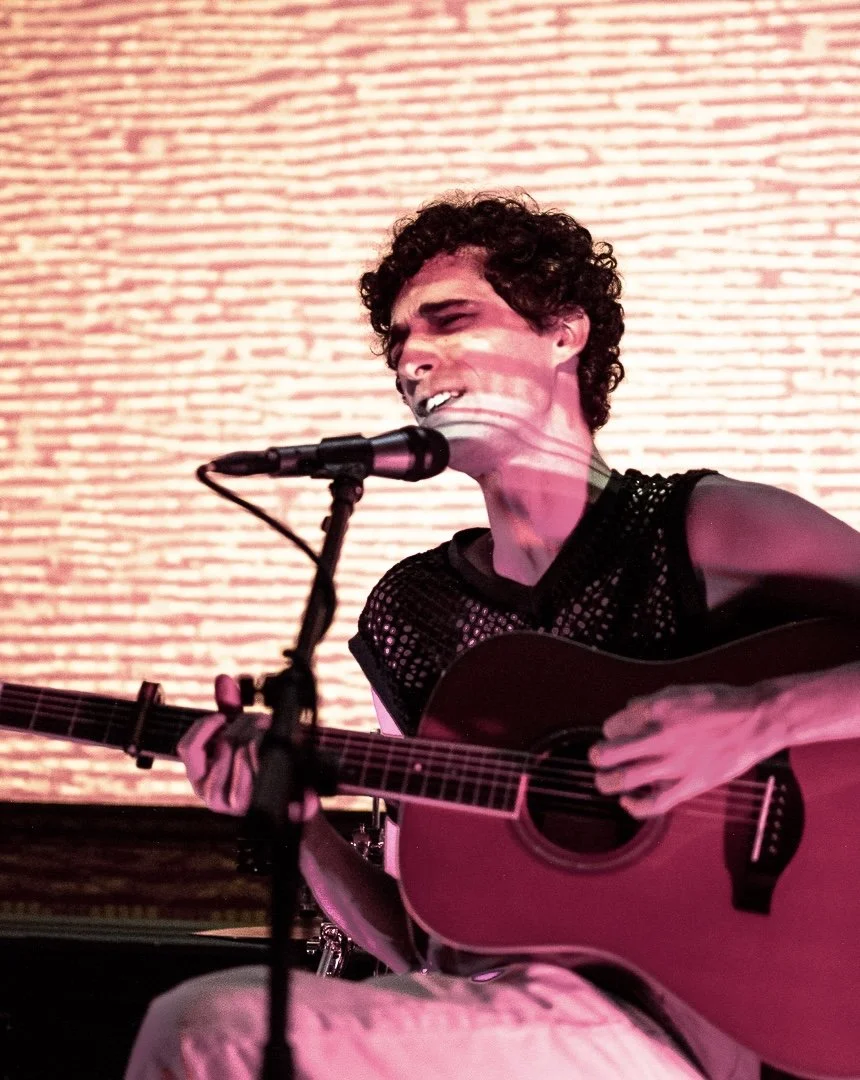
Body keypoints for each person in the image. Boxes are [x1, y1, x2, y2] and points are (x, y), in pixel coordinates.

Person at [125, 193, 860, 1080]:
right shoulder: (413, 611)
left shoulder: (702, 528)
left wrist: (762, 718)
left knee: (210, 1029)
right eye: (398, 341)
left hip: (714, 1020)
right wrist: (300, 829)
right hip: (510, 1022)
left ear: (564, 333)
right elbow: (416, 939)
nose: (412, 358)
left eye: (450, 318)